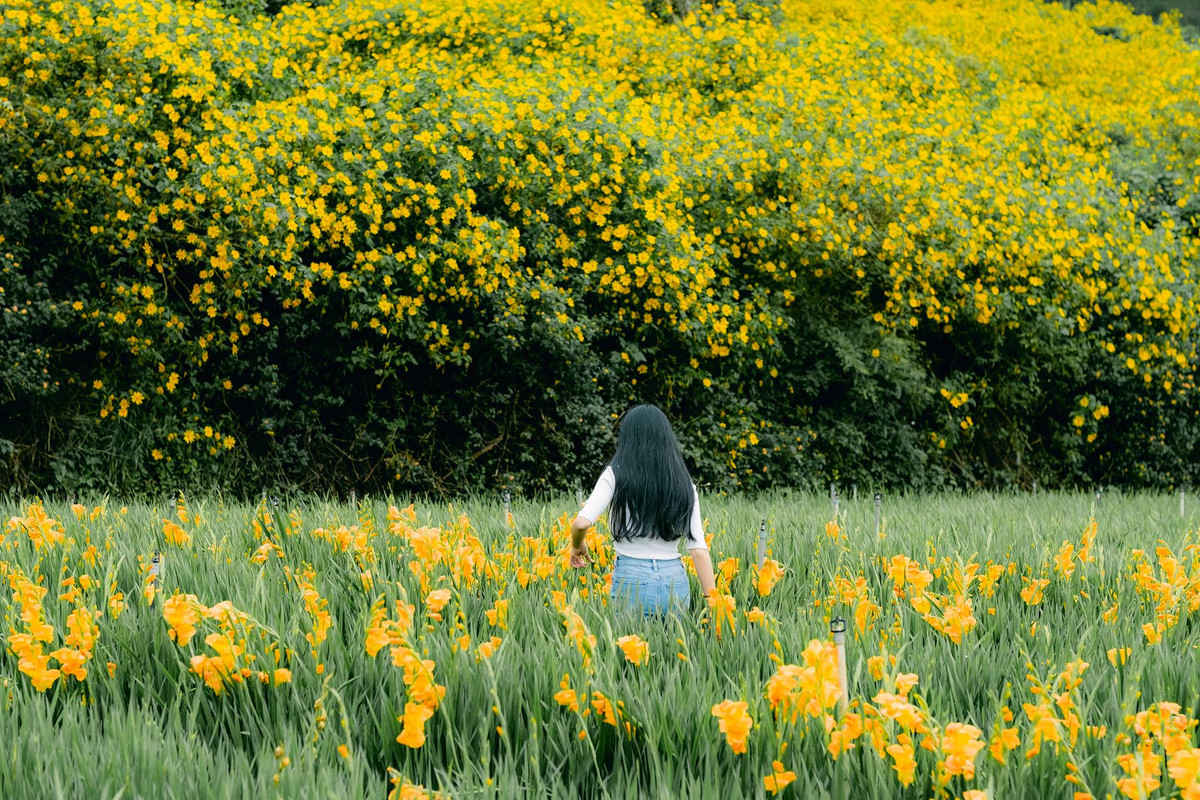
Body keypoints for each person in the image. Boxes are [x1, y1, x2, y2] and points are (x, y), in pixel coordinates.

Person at [568, 404, 717, 616]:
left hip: (632, 578)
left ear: (628, 438)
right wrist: (713, 601)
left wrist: (578, 545)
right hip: (675, 581)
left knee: (629, 648)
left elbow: (581, 522)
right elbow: (698, 550)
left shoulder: (615, 474)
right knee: (672, 649)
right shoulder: (684, 483)